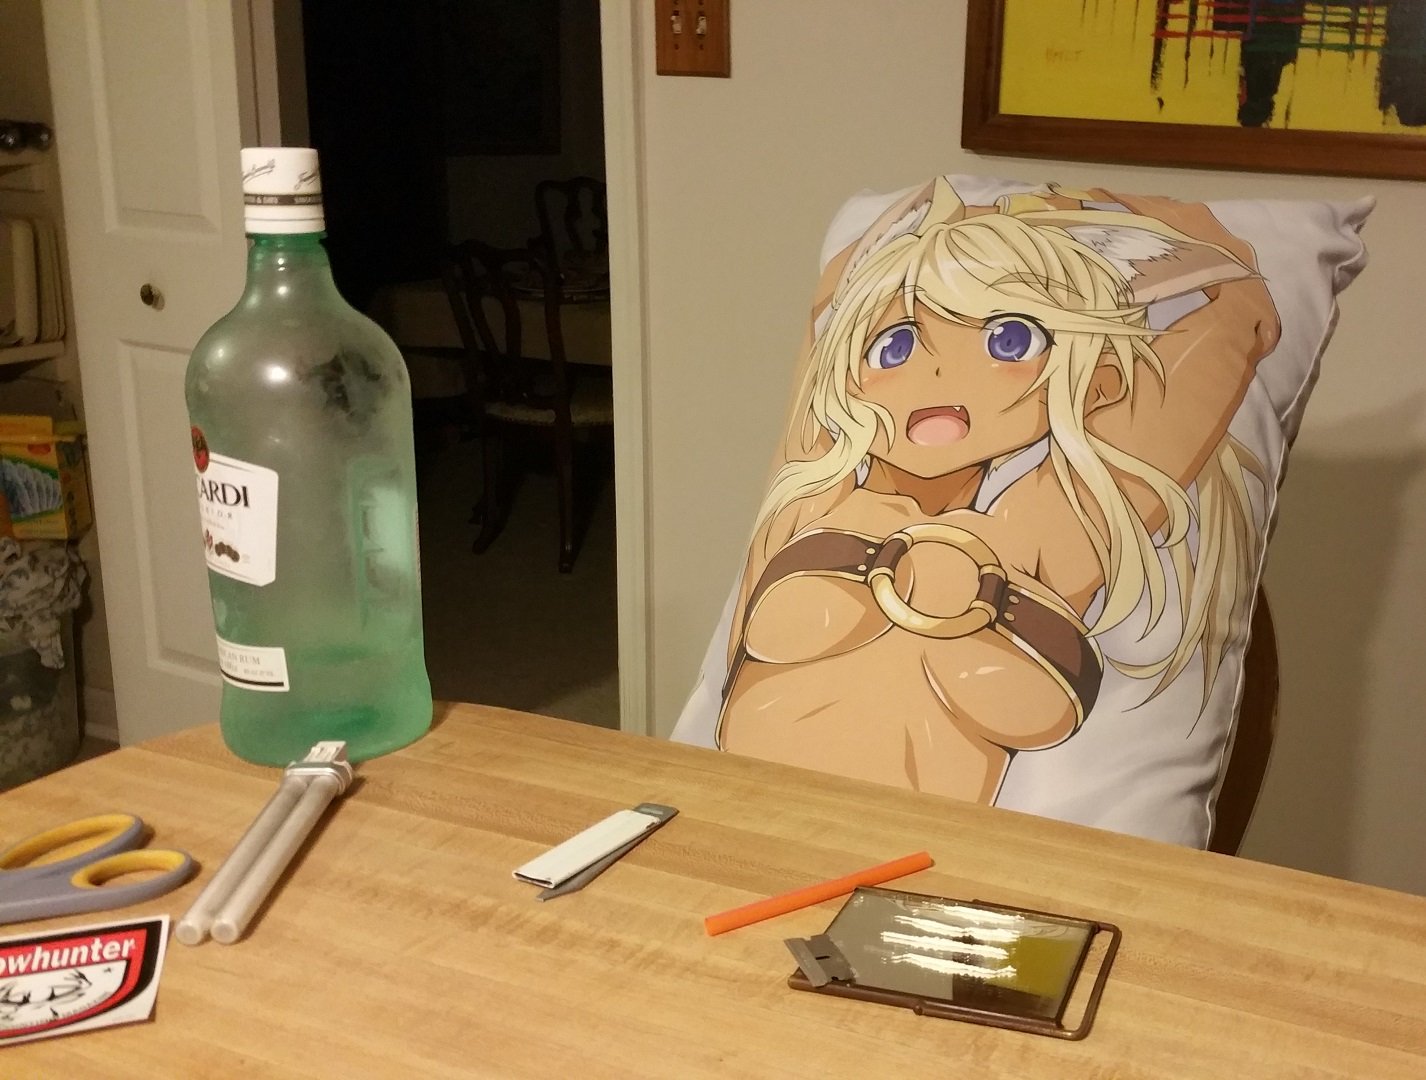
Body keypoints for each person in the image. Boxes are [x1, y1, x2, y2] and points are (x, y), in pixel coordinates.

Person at [717, 177, 1281, 803]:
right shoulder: (812, 494)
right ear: (847, 378)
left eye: (1008, 339)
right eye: (895, 345)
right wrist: (968, 226)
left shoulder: (1051, 528)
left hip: (921, 857)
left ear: (1097, 384)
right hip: (734, 829)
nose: (938, 372)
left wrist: (1068, 214)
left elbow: (1243, 304)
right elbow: (838, 295)